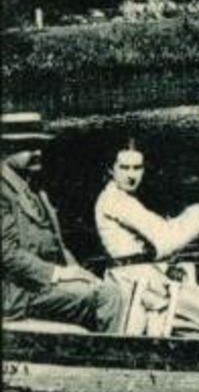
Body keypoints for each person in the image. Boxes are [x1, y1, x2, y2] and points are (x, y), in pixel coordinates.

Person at [94, 141, 199, 340]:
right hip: (132, 281)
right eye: (124, 167)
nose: (131, 175)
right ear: (111, 169)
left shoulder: (123, 199)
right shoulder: (115, 200)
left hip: (145, 276)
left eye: (137, 168)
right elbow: (168, 237)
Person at [1, 112, 126, 333]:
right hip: (18, 294)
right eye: (29, 147)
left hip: (39, 285)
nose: (38, 153)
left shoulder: (33, 186)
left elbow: (56, 242)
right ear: (6, 150)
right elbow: (6, 253)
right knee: (108, 297)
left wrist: (76, 270)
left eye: (39, 146)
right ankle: (112, 363)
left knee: (109, 287)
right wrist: (57, 274)